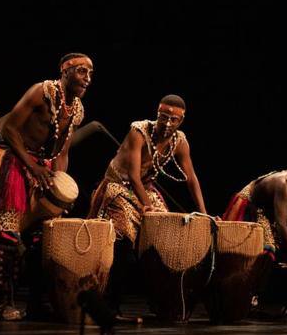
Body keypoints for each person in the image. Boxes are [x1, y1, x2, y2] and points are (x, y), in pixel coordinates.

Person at [0, 53, 93, 320]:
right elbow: (9, 129)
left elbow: (61, 153)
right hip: (12, 161)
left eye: (91, 74)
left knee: (42, 240)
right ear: (65, 70)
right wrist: (32, 166)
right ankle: (6, 303)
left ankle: (38, 302)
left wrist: (61, 188)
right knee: (7, 237)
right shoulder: (42, 92)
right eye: (82, 71)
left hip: (40, 167)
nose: (87, 78)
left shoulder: (77, 111)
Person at [87, 95, 208, 314]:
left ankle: (160, 301)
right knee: (123, 242)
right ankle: (110, 304)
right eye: (164, 117)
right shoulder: (139, 131)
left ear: (181, 120)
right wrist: (146, 206)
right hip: (119, 187)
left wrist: (204, 213)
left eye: (174, 119)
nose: (168, 123)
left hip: (145, 189)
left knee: (165, 240)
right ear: (157, 114)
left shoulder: (180, 141)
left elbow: (191, 179)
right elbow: (133, 176)